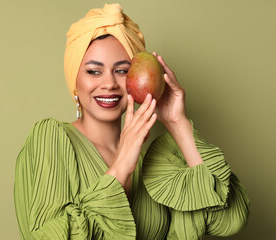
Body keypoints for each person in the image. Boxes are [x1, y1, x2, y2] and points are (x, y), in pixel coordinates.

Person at [14, 3, 250, 239]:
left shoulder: (158, 163)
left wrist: (177, 122)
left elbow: (229, 220)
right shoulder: (52, 139)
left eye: (122, 70)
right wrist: (121, 168)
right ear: (74, 81)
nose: (109, 83)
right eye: (94, 71)